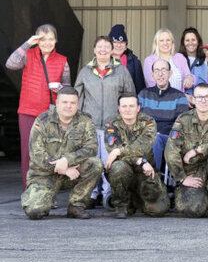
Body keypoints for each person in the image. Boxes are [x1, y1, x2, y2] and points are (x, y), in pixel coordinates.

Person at [74, 35, 136, 208]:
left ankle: (109, 194)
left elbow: (130, 95)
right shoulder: (86, 71)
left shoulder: (121, 71)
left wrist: (126, 120)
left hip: (113, 126)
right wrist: (79, 121)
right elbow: (78, 97)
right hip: (91, 125)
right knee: (92, 161)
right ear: (94, 50)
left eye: (106, 47)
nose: (103, 50)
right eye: (99, 47)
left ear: (111, 50)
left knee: (110, 161)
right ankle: (92, 194)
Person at [21, 87, 100, 220]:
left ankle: (77, 205)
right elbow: (37, 154)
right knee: (34, 212)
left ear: (78, 105)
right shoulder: (43, 121)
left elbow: (92, 147)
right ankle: (46, 199)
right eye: (65, 102)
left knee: (95, 164)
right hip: (44, 175)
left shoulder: (85, 120)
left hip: (73, 172)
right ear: (57, 103)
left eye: (73, 103)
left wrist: (67, 160)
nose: (68, 106)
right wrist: (63, 169)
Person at [7, 24, 71, 188]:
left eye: (51, 39)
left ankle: (47, 191)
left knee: (51, 151)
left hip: (51, 113)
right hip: (28, 111)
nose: (47, 43)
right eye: (43, 39)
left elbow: (68, 89)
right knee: (28, 152)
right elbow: (10, 64)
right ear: (37, 40)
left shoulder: (62, 60)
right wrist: (28, 43)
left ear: (56, 40)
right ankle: (29, 190)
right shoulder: (28, 55)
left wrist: (61, 89)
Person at [165, 83, 208, 219]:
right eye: (199, 97)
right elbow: (171, 149)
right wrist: (182, 178)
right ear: (193, 100)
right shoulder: (183, 120)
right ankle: (205, 195)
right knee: (191, 210)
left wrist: (198, 150)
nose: (203, 100)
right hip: (193, 172)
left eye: (207, 97)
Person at [102, 93, 169, 218]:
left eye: (131, 106)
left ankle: (135, 200)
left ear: (138, 108)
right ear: (119, 108)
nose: (127, 109)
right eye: (124, 106)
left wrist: (119, 151)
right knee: (118, 166)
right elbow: (112, 149)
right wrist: (139, 160)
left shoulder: (148, 122)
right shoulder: (111, 123)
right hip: (124, 171)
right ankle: (121, 205)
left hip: (145, 172)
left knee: (159, 210)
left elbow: (143, 147)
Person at [137, 59, 190, 180]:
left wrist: (159, 133)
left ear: (170, 73)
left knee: (156, 140)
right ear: (152, 75)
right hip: (145, 135)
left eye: (164, 70)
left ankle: (152, 179)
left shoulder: (179, 96)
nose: (160, 74)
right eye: (157, 71)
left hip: (168, 137)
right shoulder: (143, 94)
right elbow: (137, 119)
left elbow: (181, 122)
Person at [108, 24, 145, 93]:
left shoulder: (135, 63)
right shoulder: (102, 61)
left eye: (122, 42)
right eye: (115, 42)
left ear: (126, 46)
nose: (119, 45)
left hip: (129, 99)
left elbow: (140, 90)